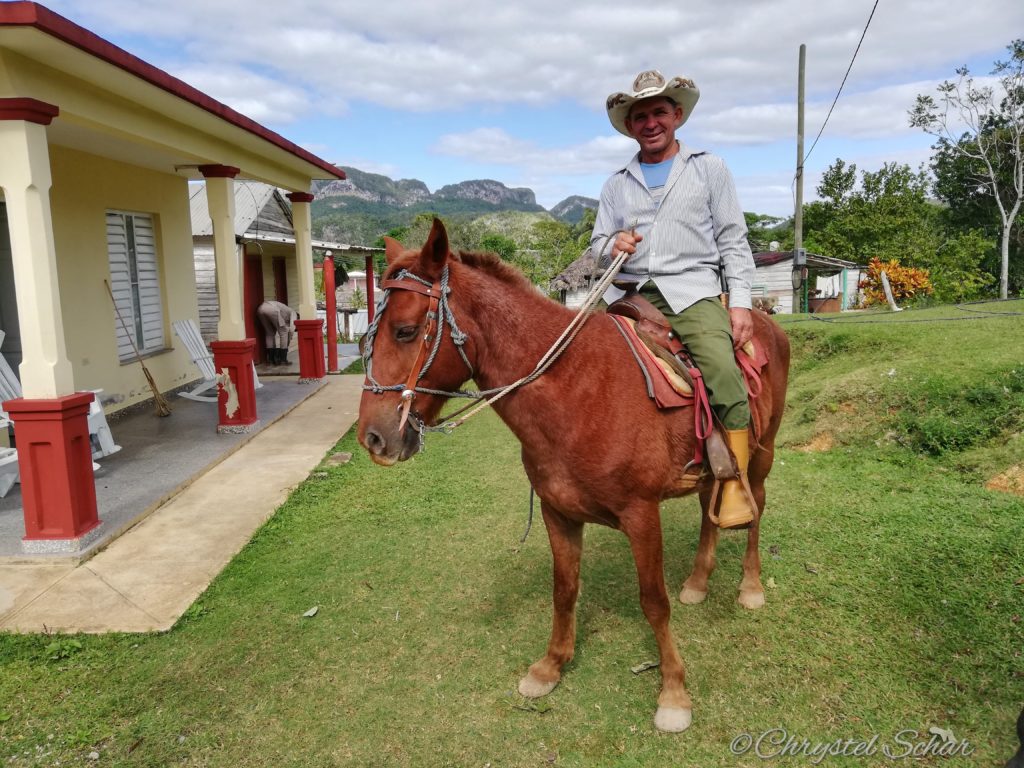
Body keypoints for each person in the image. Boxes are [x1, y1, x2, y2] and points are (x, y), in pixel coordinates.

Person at [591, 69, 757, 529]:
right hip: (630, 293)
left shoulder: (709, 168)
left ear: (677, 115)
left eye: (658, 112)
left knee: (722, 371)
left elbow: (733, 240)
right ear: (629, 125)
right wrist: (613, 244)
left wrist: (739, 302)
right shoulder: (615, 183)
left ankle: (734, 483)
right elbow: (595, 245)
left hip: (691, 291)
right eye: (639, 116)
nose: (649, 123)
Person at [256, 300, 296, 365]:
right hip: (272, 309)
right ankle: (283, 359)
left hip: (260, 309)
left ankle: (271, 360)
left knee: (269, 333)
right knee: (284, 332)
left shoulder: (285, 311)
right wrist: (287, 344)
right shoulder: (293, 312)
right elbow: (291, 329)